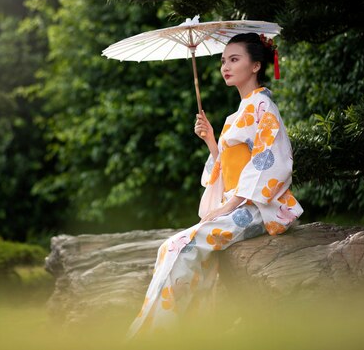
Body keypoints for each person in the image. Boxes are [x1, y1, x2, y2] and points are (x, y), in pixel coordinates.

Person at [125, 32, 304, 339]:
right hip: (240, 201)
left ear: (256, 66)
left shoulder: (263, 106)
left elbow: (267, 162)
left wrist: (229, 205)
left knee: (178, 246)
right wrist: (211, 140)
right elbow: (227, 166)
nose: (225, 66)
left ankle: (156, 334)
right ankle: (184, 330)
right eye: (223, 60)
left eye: (234, 59)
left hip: (258, 207)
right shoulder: (238, 113)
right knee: (172, 247)